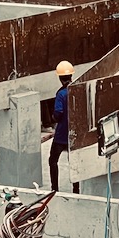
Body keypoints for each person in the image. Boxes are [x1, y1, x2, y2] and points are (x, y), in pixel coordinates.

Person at [49, 61, 72, 193]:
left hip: (61, 135)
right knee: (74, 161)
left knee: (53, 160)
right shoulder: (75, 89)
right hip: (73, 134)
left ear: (59, 77)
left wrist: (54, 118)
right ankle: (76, 188)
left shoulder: (61, 94)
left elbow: (58, 113)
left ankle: (54, 188)